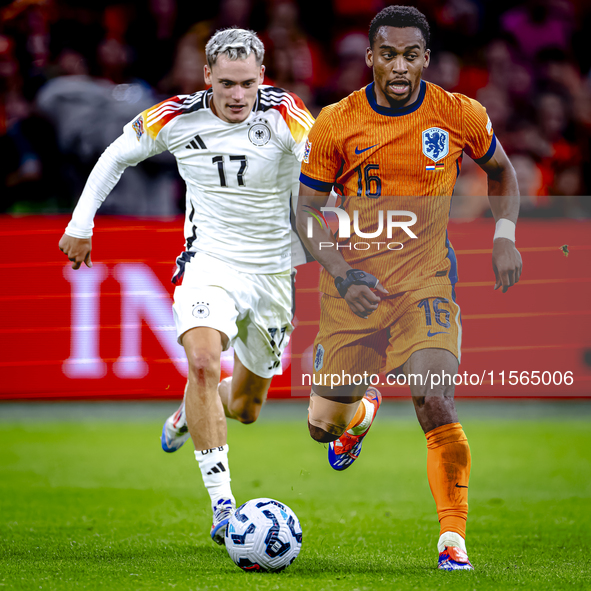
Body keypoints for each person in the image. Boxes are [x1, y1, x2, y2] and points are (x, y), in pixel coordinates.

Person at [59, 28, 313, 544]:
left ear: (262, 78)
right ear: (206, 78)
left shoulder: (286, 113)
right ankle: (223, 507)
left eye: (247, 84)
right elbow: (114, 156)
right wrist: (81, 224)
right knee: (201, 360)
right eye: (226, 84)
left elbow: (324, 158)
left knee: (244, 407)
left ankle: (187, 412)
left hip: (273, 273)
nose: (237, 96)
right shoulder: (175, 116)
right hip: (209, 263)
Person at [296, 5, 521, 571]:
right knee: (323, 426)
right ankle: (362, 410)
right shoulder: (335, 123)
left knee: (432, 395)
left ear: (426, 58)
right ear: (370, 56)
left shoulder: (457, 114)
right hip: (355, 291)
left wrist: (504, 235)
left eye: (410, 55)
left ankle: (452, 540)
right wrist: (344, 276)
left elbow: (502, 173)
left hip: (426, 286)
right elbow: (304, 214)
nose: (399, 66)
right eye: (388, 54)